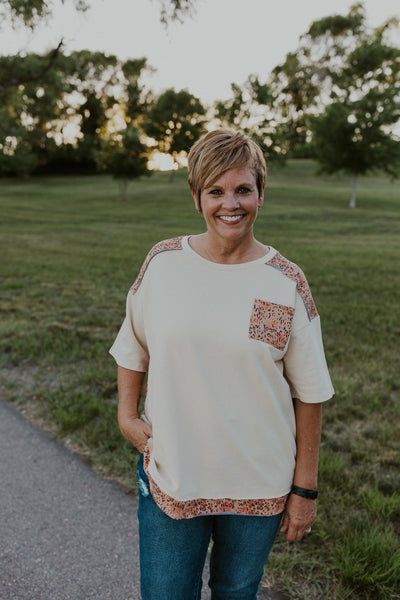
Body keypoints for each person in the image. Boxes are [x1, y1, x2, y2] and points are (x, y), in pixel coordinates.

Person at [109, 129, 334, 600]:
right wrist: (127, 416)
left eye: (242, 189)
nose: (230, 204)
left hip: (259, 484)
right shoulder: (164, 264)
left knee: (236, 592)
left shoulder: (285, 282)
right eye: (215, 191)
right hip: (174, 473)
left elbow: (309, 391)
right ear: (196, 198)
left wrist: (304, 490)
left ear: (260, 194)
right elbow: (133, 344)